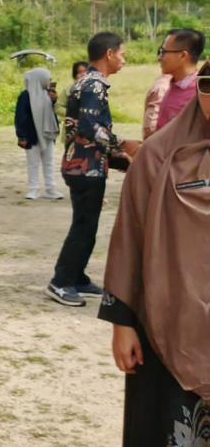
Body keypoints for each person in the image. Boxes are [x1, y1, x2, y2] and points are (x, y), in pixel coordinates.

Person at [99, 73, 210, 445]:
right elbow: (129, 238)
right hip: (166, 325)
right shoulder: (158, 154)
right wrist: (122, 323)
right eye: (208, 86)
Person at [46, 32, 142, 307]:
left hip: (86, 165)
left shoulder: (86, 82)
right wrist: (122, 144)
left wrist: (117, 157)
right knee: (83, 226)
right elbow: (89, 128)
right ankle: (61, 282)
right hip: (84, 168)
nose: (124, 60)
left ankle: (77, 277)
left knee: (88, 225)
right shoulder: (94, 85)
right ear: (109, 54)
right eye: (122, 54)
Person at [15, 68, 64, 200]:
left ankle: (51, 189)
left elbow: (55, 112)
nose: (49, 81)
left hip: (48, 134)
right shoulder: (26, 96)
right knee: (33, 163)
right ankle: (33, 189)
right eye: (47, 79)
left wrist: (55, 100)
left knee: (49, 162)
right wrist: (22, 136)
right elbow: (20, 117)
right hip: (31, 135)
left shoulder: (48, 94)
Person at [152, 28, 204, 136]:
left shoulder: (201, 94)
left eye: (163, 52)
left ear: (182, 56)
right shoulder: (173, 85)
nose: (159, 58)